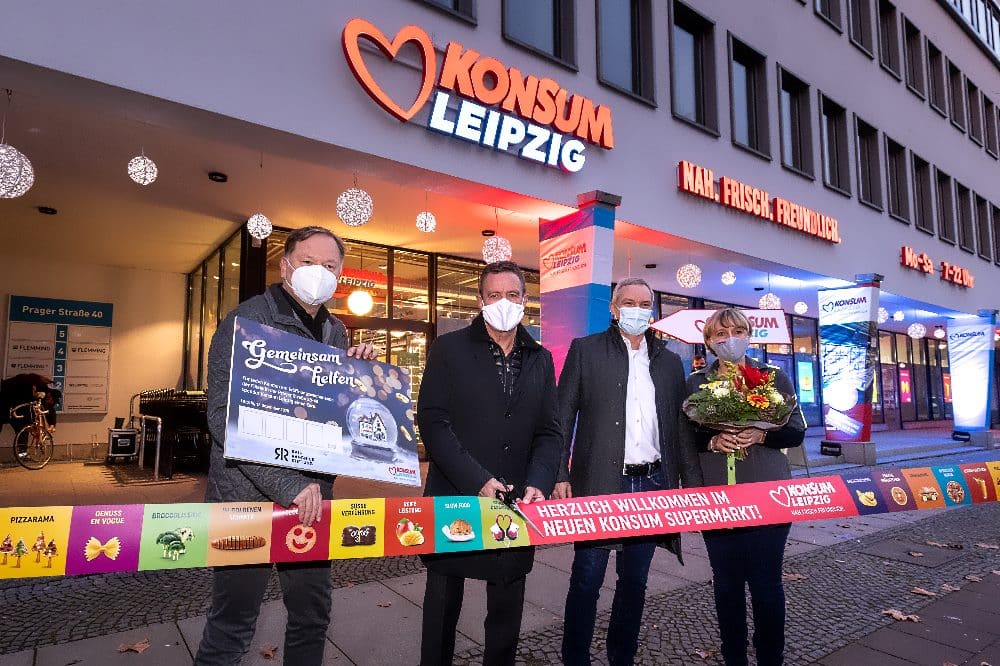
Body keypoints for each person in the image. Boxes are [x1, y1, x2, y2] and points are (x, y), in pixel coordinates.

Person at [194, 226, 377, 666]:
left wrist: (358, 377)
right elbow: (223, 417)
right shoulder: (245, 322)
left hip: (313, 499)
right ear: (285, 266)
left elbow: (331, 415)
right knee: (234, 622)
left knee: (312, 615)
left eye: (330, 266)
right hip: (246, 498)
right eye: (309, 262)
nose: (320, 272)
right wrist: (287, 484)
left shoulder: (335, 331)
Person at [417, 260, 562, 666]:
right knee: (441, 609)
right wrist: (477, 479)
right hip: (455, 495)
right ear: (480, 301)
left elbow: (549, 431)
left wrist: (540, 481)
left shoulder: (540, 358)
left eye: (512, 295)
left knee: (505, 614)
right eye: (494, 295)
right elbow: (433, 421)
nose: (503, 302)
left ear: (525, 300)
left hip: (514, 502)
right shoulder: (449, 349)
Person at [554, 277, 702, 666]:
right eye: (629, 302)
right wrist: (559, 474)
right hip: (601, 482)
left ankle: (622, 657)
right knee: (587, 578)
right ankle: (575, 659)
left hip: (652, 483)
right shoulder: (585, 350)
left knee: (634, 581)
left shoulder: (669, 361)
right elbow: (562, 417)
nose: (638, 310)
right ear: (614, 308)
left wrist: (692, 486)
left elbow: (681, 429)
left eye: (645, 303)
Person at [684, 307, 806, 666]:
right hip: (717, 498)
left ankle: (771, 657)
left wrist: (761, 433)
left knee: (767, 586)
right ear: (709, 341)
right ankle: (733, 656)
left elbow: (796, 431)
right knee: (726, 586)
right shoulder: (695, 384)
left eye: (737, 331)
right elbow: (683, 436)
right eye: (721, 334)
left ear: (749, 335)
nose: (730, 339)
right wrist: (712, 441)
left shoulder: (773, 377)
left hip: (768, 495)